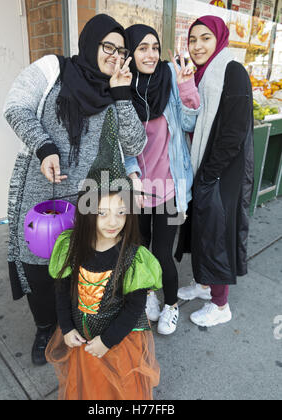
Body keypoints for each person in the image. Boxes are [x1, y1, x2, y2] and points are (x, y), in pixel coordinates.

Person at [3, 14, 146, 366]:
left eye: (121, 50)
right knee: (37, 265)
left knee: (74, 266)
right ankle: (44, 327)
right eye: (107, 46)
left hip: (88, 200)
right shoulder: (52, 68)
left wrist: (122, 94)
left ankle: (71, 323)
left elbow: (135, 143)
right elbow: (15, 106)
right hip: (40, 192)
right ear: (90, 42)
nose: (114, 55)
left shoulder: (115, 90)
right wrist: (44, 146)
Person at [45, 107, 162, 400]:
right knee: (91, 388)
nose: (113, 222)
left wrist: (107, 341)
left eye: (121, 212)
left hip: (117, 343)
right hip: (83, 339)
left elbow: (135, 307)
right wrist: (67, 325)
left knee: (120, 391)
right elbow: (62, 289)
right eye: (103, 213)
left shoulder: (134, 258)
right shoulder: (70, 247)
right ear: (87, 213)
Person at [177, 16, 254, 327]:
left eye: (205, 38)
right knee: (201, 230)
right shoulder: (201, 74)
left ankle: (221, 305)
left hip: (222, 171)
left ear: (219, 39)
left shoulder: (232, 72)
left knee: (216, 235)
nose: (197, 46)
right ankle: (205, 285)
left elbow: (234, 131)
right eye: (193, 40)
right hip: (205, 167)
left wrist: (209, 174)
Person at [124, 24, 200, 335]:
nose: (151, 54)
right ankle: (149, 296)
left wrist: (186, 86)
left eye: (155, 47)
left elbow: (189, 121)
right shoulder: (122, 88)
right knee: (140, 249)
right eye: (142, 48)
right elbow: (122, 142)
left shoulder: (169, 79)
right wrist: (133, 177)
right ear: (130, 52)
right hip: (139, 188)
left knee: (162, 254)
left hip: (168, 186)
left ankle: (171, 306)